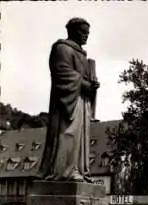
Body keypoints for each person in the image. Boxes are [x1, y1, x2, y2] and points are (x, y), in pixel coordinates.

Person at [37, 18, 100, 182]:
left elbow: (83, 77)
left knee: (81, 137)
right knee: (69, 132)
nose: (86, 36)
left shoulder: (82, 53)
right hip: (68, 101)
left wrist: (93, 85)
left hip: (82, 100)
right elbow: (61, 73)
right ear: (71, 31)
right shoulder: (62, 48)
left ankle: (79, 169)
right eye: (82, 32)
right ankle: (65, 170)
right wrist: (83, 84)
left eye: (88, 33)